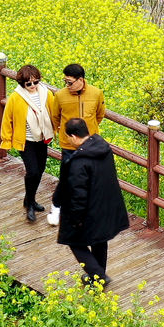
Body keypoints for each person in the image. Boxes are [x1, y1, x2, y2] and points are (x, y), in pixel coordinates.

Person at [57, 117, 129, 286]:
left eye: (67, 137)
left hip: (91, 209)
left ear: (73, 136)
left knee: (74, 241)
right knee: (100, 240)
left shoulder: (79, 162)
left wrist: (76, 220)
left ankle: (98, 275)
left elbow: (78, 194)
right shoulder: (103, 147)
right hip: (107, 205)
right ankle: (97, 279)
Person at [48, 64, 107, 227]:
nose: (67, 85)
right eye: (65, 82)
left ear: (80, 80)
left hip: (90, 144)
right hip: (69, 145)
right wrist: (67, 134)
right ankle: (56, 206)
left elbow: (99, 115)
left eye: (70, 82)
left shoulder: (96, 93)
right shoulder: (60, 95)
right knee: (67, 178)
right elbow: (55, 117)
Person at [0, 64, 56, 222]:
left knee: (40, 170)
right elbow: (7, 119)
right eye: (28, 83)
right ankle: (30, 205)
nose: (32, 86)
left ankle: (29, 199)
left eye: (35, 82)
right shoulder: (16, 97)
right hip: (26, 140)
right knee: (32, 172)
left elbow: (54, 113)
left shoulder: (47, 94)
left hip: (42, 138)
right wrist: (6, 139)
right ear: (22, 83)